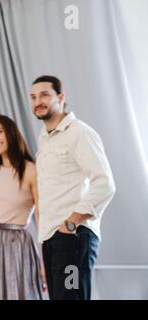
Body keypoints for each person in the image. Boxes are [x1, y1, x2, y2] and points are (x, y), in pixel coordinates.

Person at [30, 75, 116, 300]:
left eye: (45, 95)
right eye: (33, 97)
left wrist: (70, 224)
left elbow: (105, 184)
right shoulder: (45, 138)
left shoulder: (79, 133)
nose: (38, 101)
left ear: (61, 97)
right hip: (51, 239)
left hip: (72, 237)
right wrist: (45, 243)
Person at [0, 115, 45, 300]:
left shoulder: (31, 170)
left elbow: (42, 215)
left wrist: (44, 259)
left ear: (11, 133)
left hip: (18, 242)